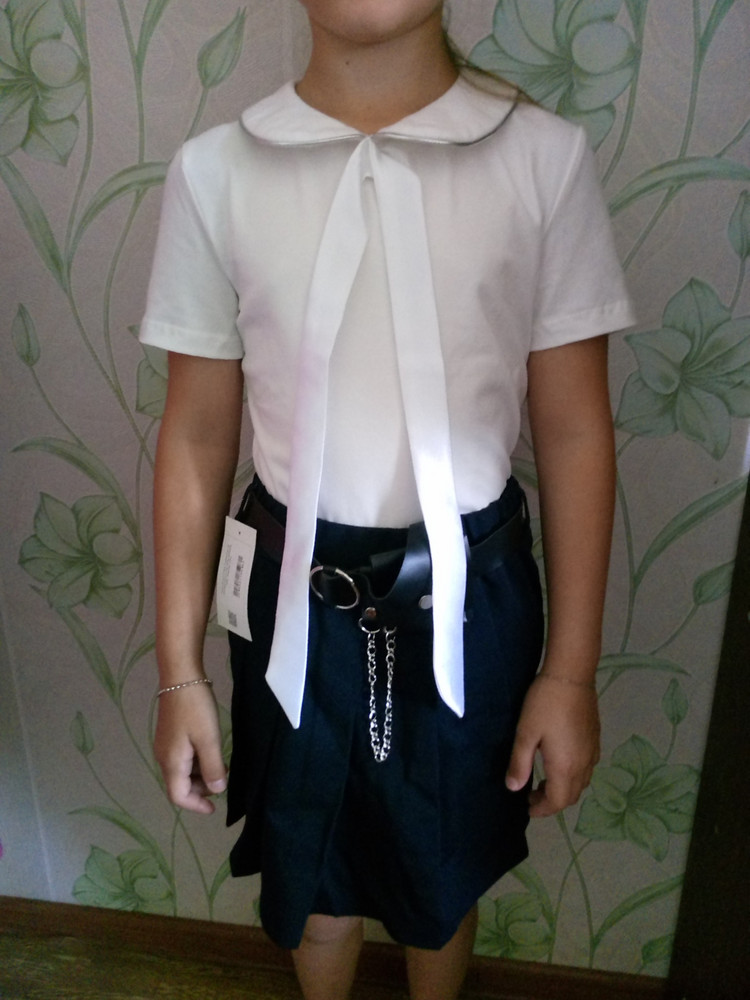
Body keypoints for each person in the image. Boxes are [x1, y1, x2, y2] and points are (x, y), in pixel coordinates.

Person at [141, 2, 635, 998]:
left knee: (439, 872)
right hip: (292, 598)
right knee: (313, 870)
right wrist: (177, 671)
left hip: (475, 603)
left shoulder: (543, 160)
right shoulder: (216, 171)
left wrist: (570, 672)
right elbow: (194, 434)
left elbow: (575, 431)